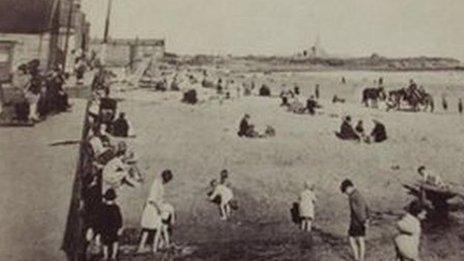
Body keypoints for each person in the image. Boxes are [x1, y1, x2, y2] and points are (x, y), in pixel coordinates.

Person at [137, 170, 174, 253]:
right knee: (157, 228)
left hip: (150, 207)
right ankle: (154, 249)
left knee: (147, 228)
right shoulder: (157, 184)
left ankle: (141, 247)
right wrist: (159, 209)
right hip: (152, 208)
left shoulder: (158, 183)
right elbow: (153, 199)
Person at [340, 179, 369, 261]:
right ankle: (361, 258)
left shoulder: (353, 197)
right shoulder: (359, 194)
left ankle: (357, 257)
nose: (346, 193)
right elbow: (366, 207)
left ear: (348, 187)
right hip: (361, 220)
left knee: (352, 238)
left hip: (356, 222)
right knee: (361, 239)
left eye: (345, 191)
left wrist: (363, 221)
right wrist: (367, 219)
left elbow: (358, 211)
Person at [100, 189, 123, 260]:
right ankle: (114, 255)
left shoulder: (103, 207)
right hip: (113, 228)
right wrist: (120, 227)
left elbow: (100, 219)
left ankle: (105, 255)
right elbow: (119, 219)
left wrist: (99, 229)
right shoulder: (116, 207)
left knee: (105, 243)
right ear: (114, 198)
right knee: (115, 241)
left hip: (105, 228)